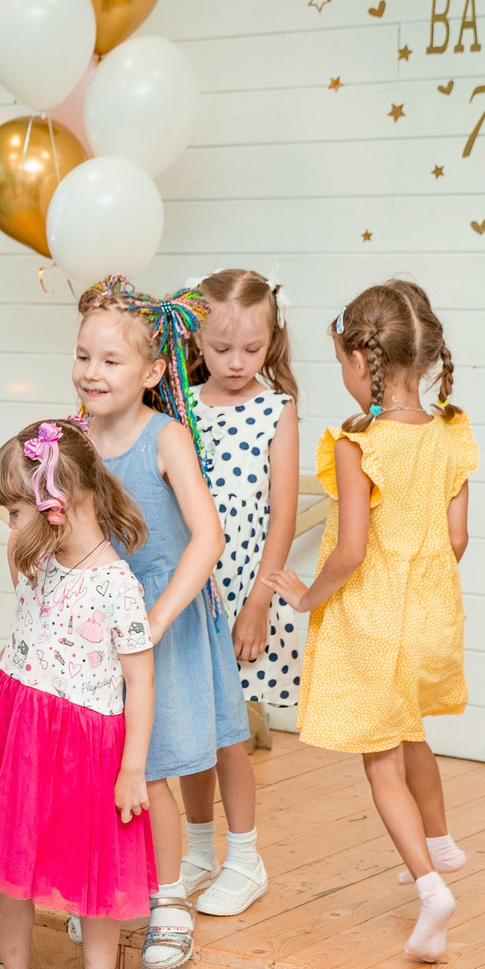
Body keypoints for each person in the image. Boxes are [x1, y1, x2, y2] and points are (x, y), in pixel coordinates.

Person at [273, 280, 474, 962]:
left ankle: (429, 886)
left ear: (365, 362)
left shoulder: (360, 442)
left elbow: (352, 549)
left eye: (341, 364)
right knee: (410, 725)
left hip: (374, 622)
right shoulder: (452, 430)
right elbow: (457, 540)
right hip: (431, 616)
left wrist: (307, 596)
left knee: (380, 760)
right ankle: (441, 841)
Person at [0, 420, 157, 969]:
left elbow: (141, 684)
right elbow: (25, 636)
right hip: (22, 724)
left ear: (60, 503)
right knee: (8, 859)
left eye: (18, 511)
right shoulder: (43, 561)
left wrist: (132, 768)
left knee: (93, 872)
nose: (11, 524)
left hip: (86, 745)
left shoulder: (116, 585)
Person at [80, 277, 243, 969]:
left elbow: (207, 540)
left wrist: (151, 621)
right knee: (101, 762)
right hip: (98, 619)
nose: (92, 372)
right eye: (83, 356)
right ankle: (110, 888)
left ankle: (169, 897)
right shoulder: (75, 435)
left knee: (148, 769)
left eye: (110, 361)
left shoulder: (166, 437)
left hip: (162, 618)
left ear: (151, 373)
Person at [175, 267, 301, 917]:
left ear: (271, 339)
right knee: (192, 729)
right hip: (191, 591)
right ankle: (199, 847)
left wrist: (259, 602)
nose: (236, 361)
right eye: (222, 349)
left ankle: (245, 855)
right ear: (197, 340)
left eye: (252, 350)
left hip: (241, 595)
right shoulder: (181, 404)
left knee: (228, 732)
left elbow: (282, 515)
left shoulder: (276, 410)